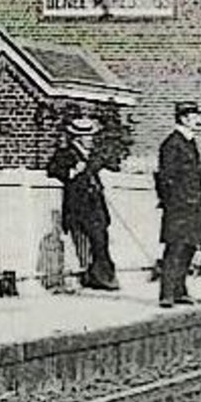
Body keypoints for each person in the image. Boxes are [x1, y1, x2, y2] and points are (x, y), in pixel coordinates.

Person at [45, 116, 117, 290]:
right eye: (88, 137)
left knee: (101, 240)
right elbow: (52, 169)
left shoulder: (91, 156)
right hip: (79, 206)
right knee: (90, 241)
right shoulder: (66, 154)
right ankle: (98, 276)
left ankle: (101, 275)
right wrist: (71, 171)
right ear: (78, 138)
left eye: (92, 136)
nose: (91, 140)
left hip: (95, 204)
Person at [156, 101, 201, 308]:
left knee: (188, 248)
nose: (200, 119)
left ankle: (180, 290)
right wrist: (174, 203)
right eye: (196, 116)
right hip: (179, 207)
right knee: (175, 248)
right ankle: (167, 294)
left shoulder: (190, 142)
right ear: (185, 118)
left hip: (193, 207)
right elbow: (165, 178)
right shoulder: (172, 144)